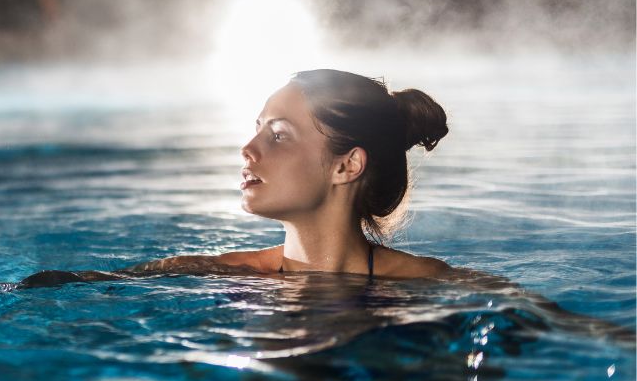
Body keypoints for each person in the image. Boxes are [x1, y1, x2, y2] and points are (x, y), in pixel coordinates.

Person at [22, 69, 451, 286]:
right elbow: (83, 286)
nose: (249, 149)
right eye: (258, 127)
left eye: (279, 134)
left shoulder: (434, 286)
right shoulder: (204, 272)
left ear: (347, 165)